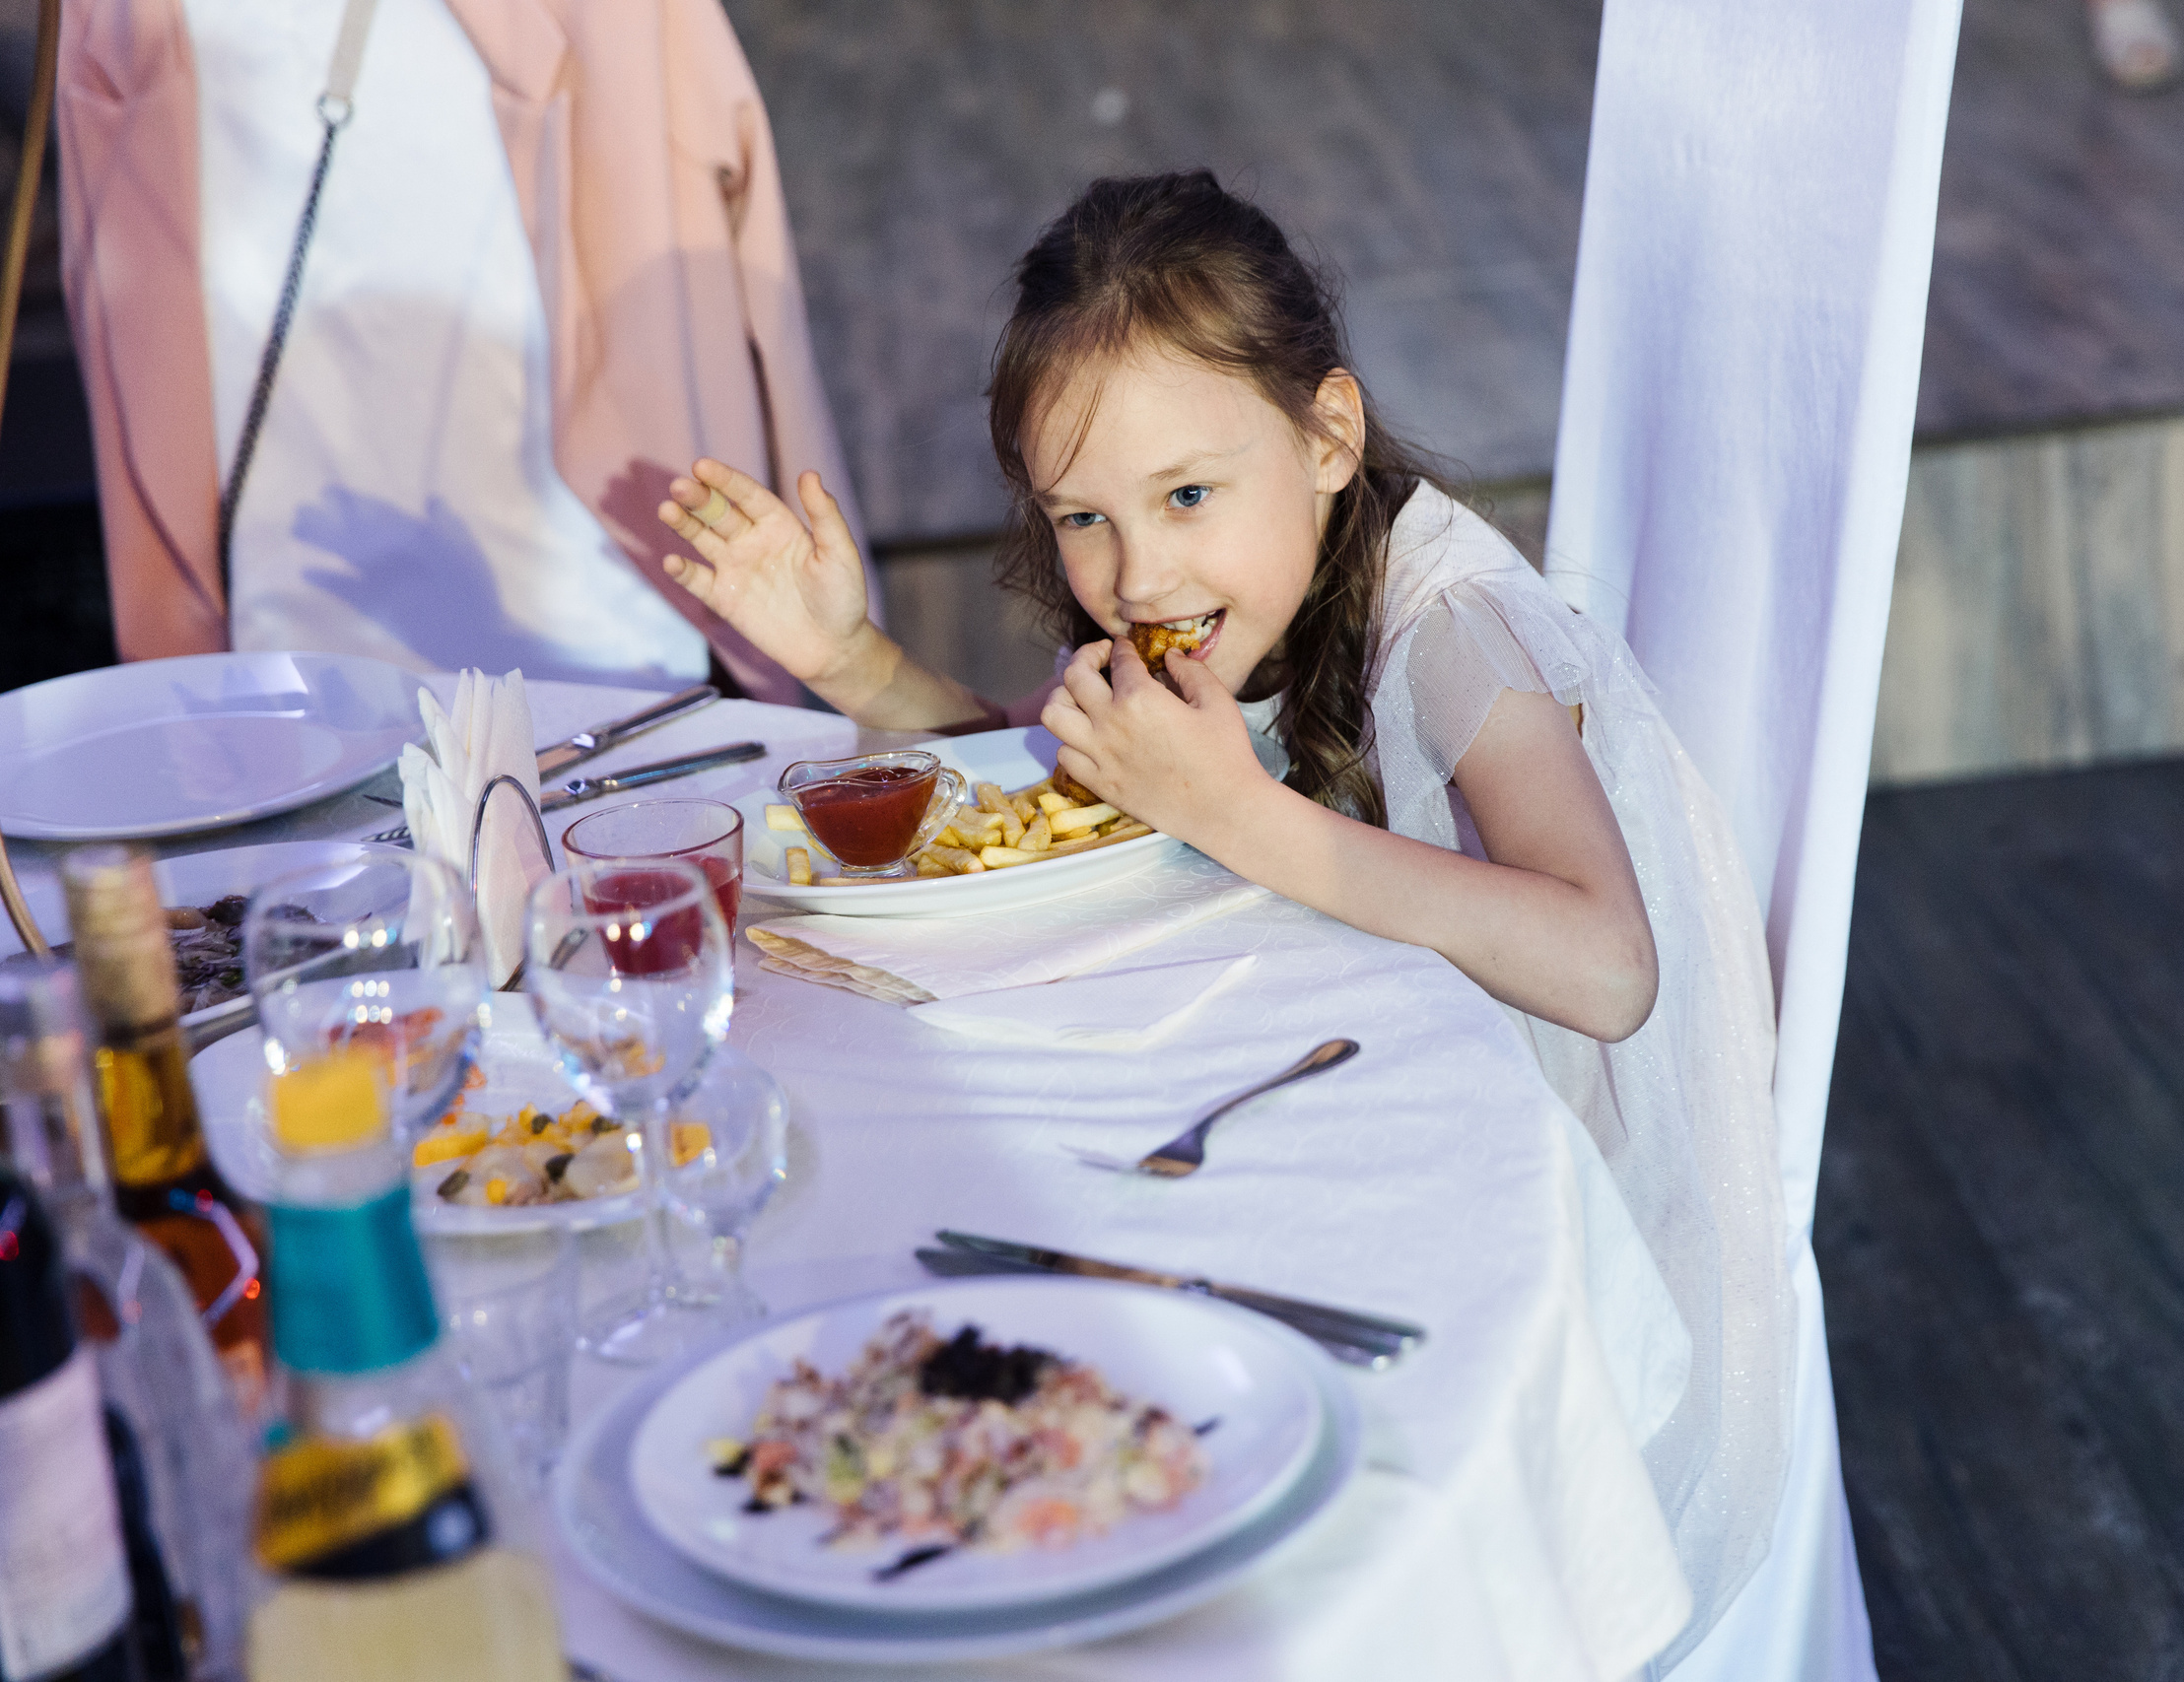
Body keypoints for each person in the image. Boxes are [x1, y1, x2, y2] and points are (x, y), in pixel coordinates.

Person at [656, 169, 1795, 1638]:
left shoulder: (1452, 627)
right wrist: (852, 659)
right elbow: (1057, 805)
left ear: (1329, 434)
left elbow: (1606, 963)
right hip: (1336, 1090)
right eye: (1082, 517)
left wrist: (1237, 816)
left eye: (1188, 494)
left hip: (1534, 1217)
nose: (1137, 574)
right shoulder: (1232, 597)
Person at [53, 0, 859, 701]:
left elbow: (747, 252)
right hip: (293, 659)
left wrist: (837, 651)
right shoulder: (120, 18)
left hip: (605, 642)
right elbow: (120, 321)